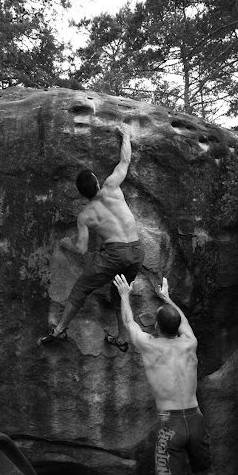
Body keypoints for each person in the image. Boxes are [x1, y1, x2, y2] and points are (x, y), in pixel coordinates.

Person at [112, 274, 232, 475]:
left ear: (156, 327)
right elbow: (185, 323)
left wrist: (125, 294)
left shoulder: (150, 345)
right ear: (177, 326)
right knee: (208, 473)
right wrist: (166, 298)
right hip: (195, 417)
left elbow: (129, 324)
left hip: (170, 425)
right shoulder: (190, 342)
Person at [39, 124, 144, 351]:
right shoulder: (112, 187)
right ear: (97, 182)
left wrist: (67, 245)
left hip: (115, 254)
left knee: (80, 289)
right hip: (137, 251)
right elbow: (124, 161)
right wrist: (126, 135)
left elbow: (81, 249)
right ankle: (123, 337)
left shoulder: (85, 216)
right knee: (120, 294)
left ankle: (59, 330)